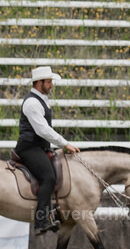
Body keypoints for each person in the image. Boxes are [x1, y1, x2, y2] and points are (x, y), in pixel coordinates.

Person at [14, 66, 81, 234]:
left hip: (39, 147)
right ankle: (41, 221)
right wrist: (65, 144)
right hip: (29, 148)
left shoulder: (41, 99)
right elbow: (42, 130)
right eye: (49, 82)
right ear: (39, 83)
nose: (51, 85)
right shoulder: (32, 103)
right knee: (48, 177)